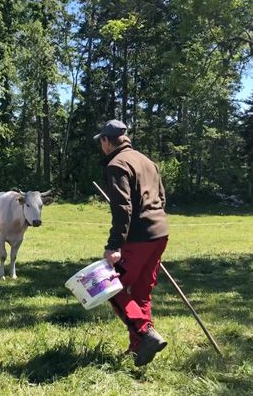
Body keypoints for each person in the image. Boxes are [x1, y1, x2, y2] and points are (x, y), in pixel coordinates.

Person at [95, 119, 169, 367]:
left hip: (137, 238)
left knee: (110, 287)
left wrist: (114, 245)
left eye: (101, 142)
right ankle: (139, 348)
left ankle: (145, 333)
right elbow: (162, 197)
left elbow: (122, 207)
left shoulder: (117, 164)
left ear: (106, 141)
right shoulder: (147, 161)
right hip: (159, 233)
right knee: (140, 292)